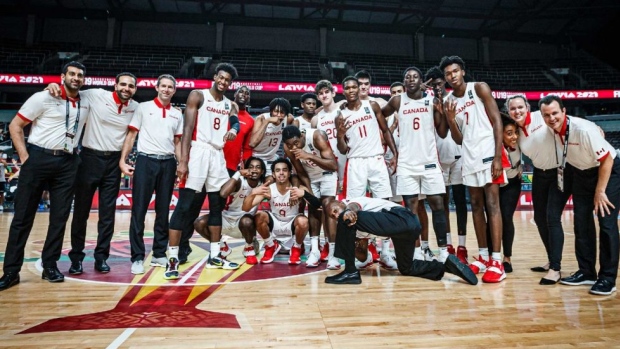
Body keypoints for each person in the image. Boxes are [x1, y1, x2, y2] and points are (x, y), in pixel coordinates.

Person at [0, 61, 90, 291]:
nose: (76, 78)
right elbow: (16, 125)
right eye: (72, 74)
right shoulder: (43, 97)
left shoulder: (87, 101)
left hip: (68, 160)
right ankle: (11, 271)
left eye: (80, 75)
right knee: (22, 218)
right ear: (63, 76)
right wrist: (25, 158)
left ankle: (50, 266)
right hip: (38, 157)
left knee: (59, 218)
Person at [45, 72, 139, 275]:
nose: (126, 88)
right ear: (115, 85)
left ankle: (101, 257)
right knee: (81, 212)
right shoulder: (96, 95)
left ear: (135, 89)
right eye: (122, 84)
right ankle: (76, 259)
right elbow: (71, 90)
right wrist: (54, 85)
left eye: (130, 86)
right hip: (89, 158)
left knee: (107, 214)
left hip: (114, 162)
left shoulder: (136, 107)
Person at [540, 95, 620, 296]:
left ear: (564, 111)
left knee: (607, 222)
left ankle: (608, 279)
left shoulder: (582, 130)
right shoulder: (551, 129)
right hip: (580, 173)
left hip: (607, 171)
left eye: (555, 113)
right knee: (581, 222)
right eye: (547, 115)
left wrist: (600, 191)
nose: (552, 118)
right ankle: (587, 272)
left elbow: (608, 159)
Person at [166, 63, 240, 277]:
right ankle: (172, 258)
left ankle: (215, 255)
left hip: (217, 154)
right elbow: (187, 129)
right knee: (185, 206)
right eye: (221, 77)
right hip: (198, 151)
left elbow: (235, 122)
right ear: (215, 76)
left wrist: (234, 130)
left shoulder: (229, 104)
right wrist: (183, 160)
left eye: (228, 80)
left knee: (217, 206)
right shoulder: (198, 96)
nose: (223, 82)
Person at [440, 55, 506, 283]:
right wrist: (449, 118)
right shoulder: (449, 101)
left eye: (455, 71)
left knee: (492, 204)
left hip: (488, 153)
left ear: (463, 72)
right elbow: (458, 139)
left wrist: (498, 156)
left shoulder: (479, 88)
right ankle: (484, 256)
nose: (452, 76)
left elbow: (497, 120)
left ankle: (497, 261)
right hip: (468, 156)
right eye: (448, 73)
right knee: (476, 206)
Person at [323, 197, 477, 286]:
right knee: (407, 267)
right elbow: (362, 256)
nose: (336, 216)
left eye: (336, 210)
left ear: (341, 202)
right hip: (406, 230)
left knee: (346, 220)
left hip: (402, 218)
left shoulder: (352, 204)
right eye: (332, 216)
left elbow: (353, 207)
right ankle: (446, 266)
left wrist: (347, 211)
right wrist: (355, 247)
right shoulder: (354, 225)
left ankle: (350, 272)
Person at [381, 66, 450, 264]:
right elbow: (380, 114)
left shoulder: (432, 101)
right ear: (404, 82)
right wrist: (387, 134)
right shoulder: (397, 100)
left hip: (429, 163)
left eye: (415, 77)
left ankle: (443, 251)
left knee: (437, 205)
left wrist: (442, 112)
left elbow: (443, 132)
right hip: (406, 165)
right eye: (407, 77)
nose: (411, 79)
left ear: (421, 81)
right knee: (410, 209)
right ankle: (417, 251)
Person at [505, 94, 575, 284]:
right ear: (508, 112)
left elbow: (565, 121)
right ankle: (551, 259)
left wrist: (594, 128)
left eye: (520, 107)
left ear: (527, 107)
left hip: (559, 172)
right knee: (539, 218)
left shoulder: (541, 117)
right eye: (513, 109)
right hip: (540, 173)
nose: (517, 111)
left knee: (552, 217)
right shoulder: (514, 132)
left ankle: (556, 269)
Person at [119, 74, 183, 275]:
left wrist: (181, 165)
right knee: (139, 210)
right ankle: (137, 257)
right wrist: (123, 160)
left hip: (168, 163)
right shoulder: (143, 108)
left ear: (174, 90)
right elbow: (131, 135)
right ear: (156, 87)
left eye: (170, 87)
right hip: (146, 161)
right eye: (163, 86)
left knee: (163, 210)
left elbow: (178, 143)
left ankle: (158, 253)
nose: (166, 89)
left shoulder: (177, 114)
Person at [335, 76, 398, 270]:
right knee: (355, 206)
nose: (352, 90)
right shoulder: (340, 115)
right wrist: (338, 134)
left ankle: (386, 252)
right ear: (343, 91)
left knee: (385, 205)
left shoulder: (372, 105)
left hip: (376, 158)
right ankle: (364, 250)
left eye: (355, 87)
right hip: (356, 161)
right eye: (348, 88)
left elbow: (385, 130)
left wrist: (395, 153)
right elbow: (343, 148)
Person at [182, 157, 267, 277]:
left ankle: (249, 247)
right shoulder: (239, 181)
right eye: (251, 167)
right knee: (199, 222)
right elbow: (223, 193)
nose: (254, 170)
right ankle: (222, 247)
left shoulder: (264, 185)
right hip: (226, 219)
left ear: (262, 171)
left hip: (245, 225)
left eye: (258, 167)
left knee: (247, 220)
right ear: (245, 169)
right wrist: (238, 173)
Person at [424, 66, 469, 264]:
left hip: (458, 157)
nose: (437, 87)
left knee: (460, 203)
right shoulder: (426, 104)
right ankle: (448, 244)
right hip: (438, 160)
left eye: (440, 83)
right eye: (433, 84)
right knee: (441, 206)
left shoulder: (454, 100)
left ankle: (462, 246)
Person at [281, 125, 338, 267]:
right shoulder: (289, 148)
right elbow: (300, 172)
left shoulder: (316, 136)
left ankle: (332, 253)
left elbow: (333, 165)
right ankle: (314, 250)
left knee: (327, 208)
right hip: (310, 176)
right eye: (289, 145)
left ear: (301, 136)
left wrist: (308, 155)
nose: (293, 147)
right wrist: (310, 195)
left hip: (327, 174)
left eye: (295, 143)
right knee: (313, 208)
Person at [242, 158, 316, 265]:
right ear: (273, 174)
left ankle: (296, 248)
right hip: (276, 224)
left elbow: (317, 205)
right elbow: (245, 208)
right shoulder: (268, 189)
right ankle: (270, 245)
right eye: (277, 170)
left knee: (303, 221)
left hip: (292, 224)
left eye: (284, 170)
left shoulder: (298, 188)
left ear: (290, 173)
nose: (281, 173)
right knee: (259, 216)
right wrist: (253, 193)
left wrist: (304, 194)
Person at [311, 80, 347, 267]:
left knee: (348, 205)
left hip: (345, 161)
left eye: (327, 92)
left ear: (333, 93)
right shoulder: (316, 120)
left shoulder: (342, 110)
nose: (324, 95)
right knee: (327, 207)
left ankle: (365, 245)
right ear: (318, 97)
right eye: (321, 93)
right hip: (327, 165)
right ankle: (327, 245)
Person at [491, 115, 523, 273]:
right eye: (509, 133)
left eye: (516, 132)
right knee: (491, 218)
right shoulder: (492, 145)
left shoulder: (520, 140)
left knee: (506, 217)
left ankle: (507, 257)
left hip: (512, 182)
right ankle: (491, 255)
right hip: (495, 183)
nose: (515, 137)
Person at [249, 98, 295, 176]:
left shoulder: (288, 118)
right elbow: (252, 143)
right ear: (271, 111)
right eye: (276, 111)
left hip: (272, 157)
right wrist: (267, 121)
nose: (279, 115)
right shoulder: (261, 119)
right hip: (256, 156)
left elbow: (293, 121)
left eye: (282, 112)